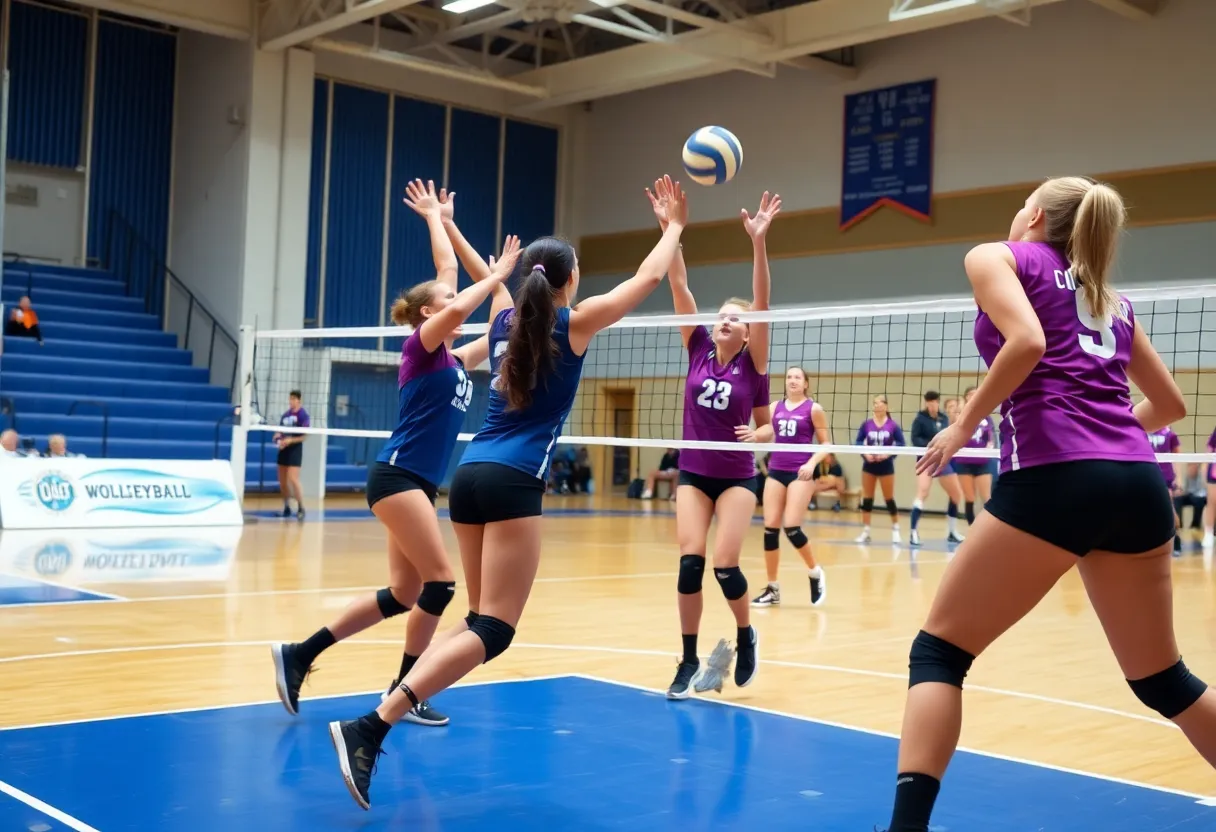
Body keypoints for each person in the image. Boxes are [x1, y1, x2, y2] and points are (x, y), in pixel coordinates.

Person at [328, 175, 690, 811]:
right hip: (516, 479)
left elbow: (495, 281)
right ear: (569, 282)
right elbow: (648, 281)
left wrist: (465, 236)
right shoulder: (574, 326)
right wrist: (674, 228)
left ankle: (383, 715)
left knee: (478, 622)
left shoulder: (502, 324)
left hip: (467, 476)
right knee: (494, 628)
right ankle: (372, 724)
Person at [882, 176, 1215, 832]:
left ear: (1032, 214)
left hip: (1055, 476)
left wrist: (961, 425)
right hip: (1140, 483)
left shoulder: (996, 256)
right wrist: (1110, 444)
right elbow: (1171, 406)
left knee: (940, 653)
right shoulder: (1108, 297)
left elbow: (1028, 341)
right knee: (1162, 680)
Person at [271, 180, 517, 728]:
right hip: (398, 476)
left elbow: (448, 271)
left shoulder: (454, 360)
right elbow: (453, 300)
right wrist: (496, 278)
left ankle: (299, 654)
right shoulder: (421, 346)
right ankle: (404, 692)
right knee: (442, 584)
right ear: (428, 313)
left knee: (406, 592)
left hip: (413, 483)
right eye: (445, 301)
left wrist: (437, 217)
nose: (453, 300)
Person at [750, 366, 828, 608]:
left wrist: (811, 463)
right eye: (789, 377)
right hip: (776, 472)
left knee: (792, 527)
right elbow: (766, 433)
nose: (792, 380)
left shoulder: (814, 409)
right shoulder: (775, 407)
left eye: (797, 377)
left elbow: (826, 444)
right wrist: (750, 435)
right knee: (770, 529)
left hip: (800, 474)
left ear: (806, 384)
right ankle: (772, 589)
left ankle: (815, 572)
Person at [908, 390, 965, 546]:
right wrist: (931, 445)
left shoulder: (943, 418)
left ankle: (952, 532)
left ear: (938, 402)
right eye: (929, 401)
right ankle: (913, 532)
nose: (932, 404)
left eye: (934, 401)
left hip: (941, 461)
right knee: (923, 493)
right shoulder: (919, 419)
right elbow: (915, 439)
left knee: (956, 495)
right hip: (926, 460)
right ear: (926, 403)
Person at [855, 395, 906, 544]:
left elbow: (901, 444)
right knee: (867, 499)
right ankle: (866, 531)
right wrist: (866, 454)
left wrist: (887, 454)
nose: (877, 405)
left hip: (886, 466)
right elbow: (858, 441)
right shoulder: (866, 424)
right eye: (875, 403)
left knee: (889, 498)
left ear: (886, 406)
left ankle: (896, 530)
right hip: (869, 466)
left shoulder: (892, 425)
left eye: (880, 402)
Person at [949, 387, 997, 526]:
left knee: (987, 498)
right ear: (965, 398)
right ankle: (972, 529)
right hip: (964, 462)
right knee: (969, 498)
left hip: (983, 462)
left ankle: (988, 528)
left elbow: (991, 438)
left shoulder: (986, 416)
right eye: (970, 394)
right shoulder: (961, 416)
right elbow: (953, 430)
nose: (973, 396)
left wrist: (988, 450)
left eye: (975, 394)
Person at [1147, 424, 1183, 554]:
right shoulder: (1141, 429)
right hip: (1147, 475)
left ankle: (1177, 539)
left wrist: (1178, 479)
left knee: (1169, 510)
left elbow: (1178, 456)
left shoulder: (1169, 432)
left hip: (1165, 478)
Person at [273, 391, 309, 520]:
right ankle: (286, 507)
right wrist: (277, 438)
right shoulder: (286, 415)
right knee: (282, 481)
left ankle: (301, 507)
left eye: (293, 399)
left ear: (299, 400)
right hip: (283, 450)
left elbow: (304, 436)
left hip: (295, 450)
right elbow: (279, 432)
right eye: (290, 399)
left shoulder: (303, 415)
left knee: (293, 479)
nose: (291, 402)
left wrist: (290, 441)